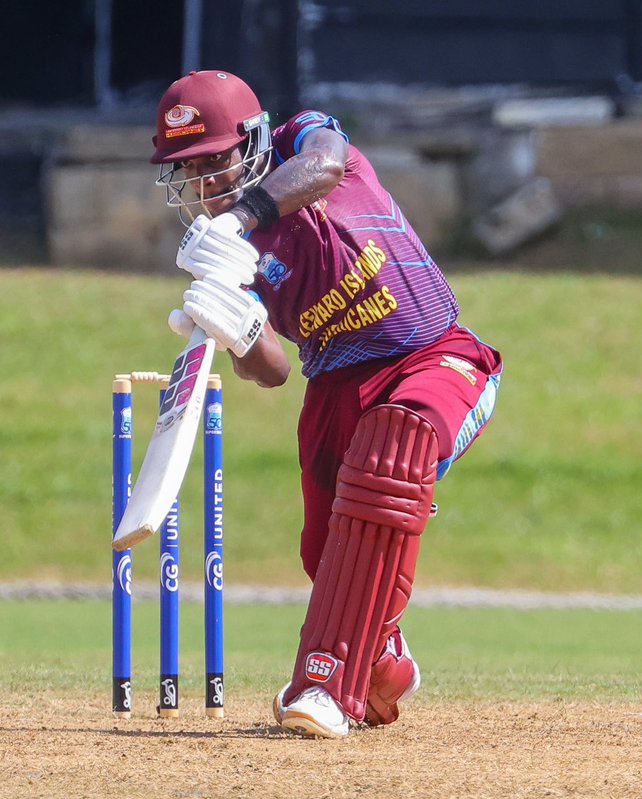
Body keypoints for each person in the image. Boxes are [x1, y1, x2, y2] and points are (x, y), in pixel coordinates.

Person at [149, 70, 504, 738]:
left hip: (436, 356)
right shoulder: (227, 253)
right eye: (189, 171)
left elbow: (328, 164)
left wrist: (243, 216)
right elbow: (275, 371)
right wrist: (238, 328)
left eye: (217, 160)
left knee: (390, 448)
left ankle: (325, 685)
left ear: (254, 140)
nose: (207, 184)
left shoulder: (302, 138)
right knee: (328, 552)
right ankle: (381, 666)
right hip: (335, 388)